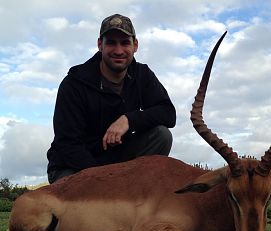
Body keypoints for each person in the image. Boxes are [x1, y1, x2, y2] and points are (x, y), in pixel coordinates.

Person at [47, 14, 176, 184]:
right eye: (111, 42)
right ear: (100, 44)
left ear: (135, 45)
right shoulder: (74, 83)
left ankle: (134, 194)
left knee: (162, 135)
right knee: (84, 205)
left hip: (116, 162)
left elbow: (168, 114)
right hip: (73, 166)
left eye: (124, 42)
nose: (118, 50)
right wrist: (105, 182)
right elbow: (68, 145)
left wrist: (129, 119)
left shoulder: (142, 74)